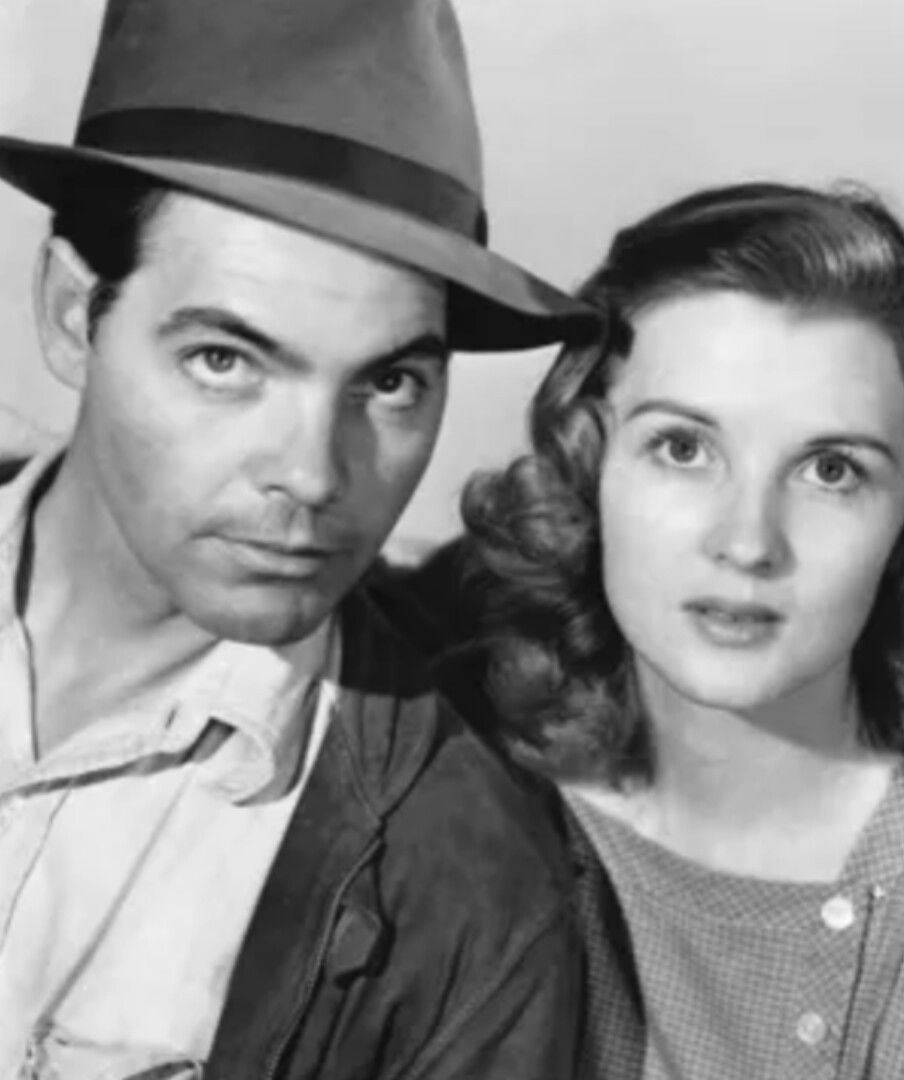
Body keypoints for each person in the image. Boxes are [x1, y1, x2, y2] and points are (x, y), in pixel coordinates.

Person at [0, 1, 596, 1075]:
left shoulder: (464, 899)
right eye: (226, 361)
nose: (315, 476)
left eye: (390, 382)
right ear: (70, 315)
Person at [455, 183, 904, 1079]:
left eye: (831, 470)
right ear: (589, 463)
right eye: (683, 449)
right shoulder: (453, 785)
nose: (747, 542)